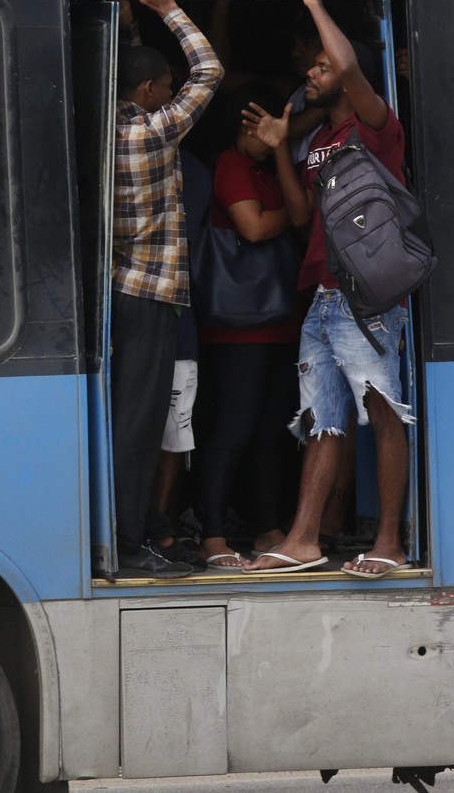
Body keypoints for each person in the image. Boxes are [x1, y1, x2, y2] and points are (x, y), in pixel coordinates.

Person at [240, 0, 416, 578]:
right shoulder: (321, 136)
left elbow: (349, 67)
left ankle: (389, 542)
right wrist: (282, 144)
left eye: (319, 67)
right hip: (323, 296)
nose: (309, 75)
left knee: (382, 413)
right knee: (323, 419)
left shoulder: (373, 125)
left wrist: (314, 1)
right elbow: (301, 216)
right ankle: (303, 538)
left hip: (362, 299)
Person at [108, 0, 223, 578]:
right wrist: (171, 9)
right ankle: (130, 544)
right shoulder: (153, 134)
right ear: (150, 89)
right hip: (152, 296)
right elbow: (209, 72)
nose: (169, 94)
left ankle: (138, 531)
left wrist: (133, 27)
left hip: (122, 292)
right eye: (164, 86)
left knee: (129, 419)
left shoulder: (108, 129)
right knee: (139, 427)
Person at [194, 89, 304, 571]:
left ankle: (268, 527)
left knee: (270, 432)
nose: (271, 134)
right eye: (261, 126)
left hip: (278, 320)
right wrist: (288, 217)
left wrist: (280, 151)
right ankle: (212, 533)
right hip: (238, 324)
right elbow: (254, 228)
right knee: (234, 428)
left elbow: (296, 216)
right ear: (241, 124)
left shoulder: (270, 167)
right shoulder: (231, 164)